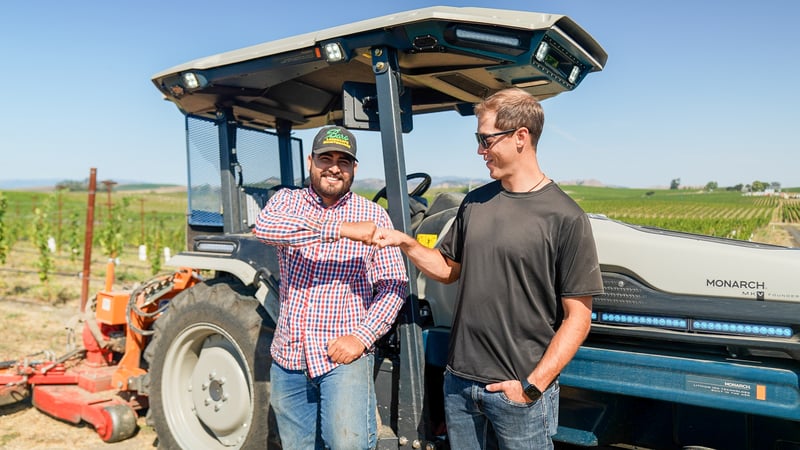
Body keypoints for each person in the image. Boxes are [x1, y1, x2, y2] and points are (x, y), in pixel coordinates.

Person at [374, 88, 604, 449]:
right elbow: (448, 269)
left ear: (521, 137)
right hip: (459, 385)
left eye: (485, 139)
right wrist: (408, 243)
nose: (480, 150)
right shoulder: (475, 202)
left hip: (519, 393)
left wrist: (531, 388)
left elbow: (578, 317)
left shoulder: (565, 217)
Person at [253, 125, 408, 450]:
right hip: (289, 356)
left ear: (354, 168)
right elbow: (265, 228)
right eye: (326, 158)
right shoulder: (287, 201)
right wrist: (340, 229)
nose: (334, 167)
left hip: (342, 357)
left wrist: (361, 337)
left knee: (347, 444)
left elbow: (395, 285)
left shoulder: (374, 214)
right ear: (311, 160)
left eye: (344, 160)